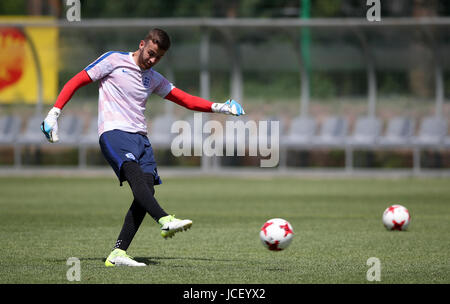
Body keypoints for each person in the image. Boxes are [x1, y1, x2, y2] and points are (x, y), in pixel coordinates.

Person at [41, 28, 245, 267]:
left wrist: (220, 107)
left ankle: (118, 254)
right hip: (114, 133)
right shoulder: (114, 60)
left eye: (158, 57)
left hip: (141, 139)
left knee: (146, 190)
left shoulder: (154, 78)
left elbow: (185, 100)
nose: (152, 60)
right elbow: (77, 80)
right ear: (141, 45)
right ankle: (164, 219)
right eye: (150, 53)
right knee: (136, 179)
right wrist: (54, 114)